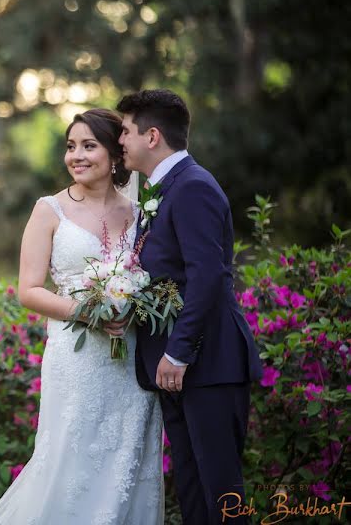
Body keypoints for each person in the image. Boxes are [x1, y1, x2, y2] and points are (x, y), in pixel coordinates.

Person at [0, 109, 163, 524]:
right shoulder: (49, 210)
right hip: (76, 357)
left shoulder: (139, 214)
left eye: (88, 145)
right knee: (68, 459)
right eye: (70, 146)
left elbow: (152, 281)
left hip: (129, 361)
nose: (76, 155)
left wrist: (131, 308)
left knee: (127, 462)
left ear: (115, 153)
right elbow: (28, 290)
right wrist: (89, 313)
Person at [114, 89, 263, 525]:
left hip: (207, 364)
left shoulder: (194, 187)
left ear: (152, 136)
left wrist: (178, 352)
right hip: (177, 371)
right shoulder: (163, 189)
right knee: (194, 495)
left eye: (125, 131)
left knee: (221, 498)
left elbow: (208, 276)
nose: (120, 141)